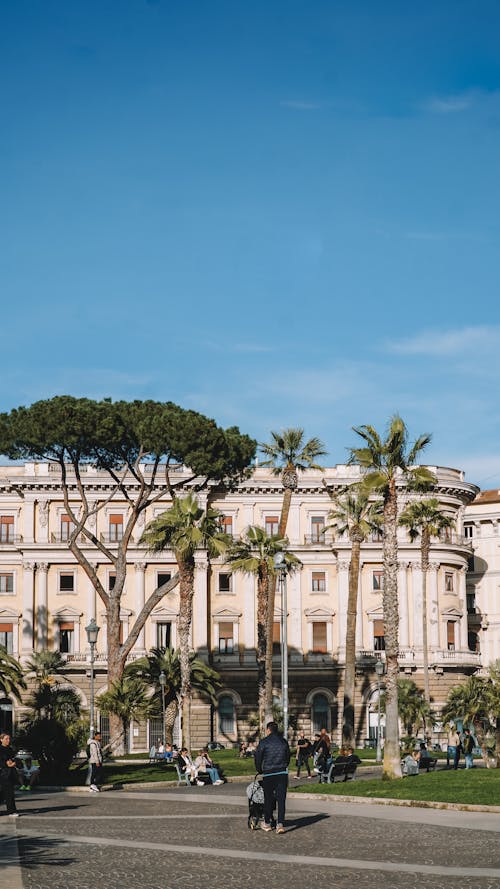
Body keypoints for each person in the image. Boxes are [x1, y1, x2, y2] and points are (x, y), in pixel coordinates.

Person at [254, 721, 290, 834]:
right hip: (282, 773)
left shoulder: (264, 742)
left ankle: (267, 823)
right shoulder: (283, 742)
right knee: (281, 800)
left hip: (269, 774)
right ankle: (280, 824)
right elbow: (288, 757)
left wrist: (259, 770)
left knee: (268, 799)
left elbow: (258, 757)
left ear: (268, 730)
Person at [0, 733, 19, 816]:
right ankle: (11, 811)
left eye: (9, 739)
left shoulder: (10, 749)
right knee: (5, 793)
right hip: (2, 773)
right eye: (6, 739)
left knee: (10, 792)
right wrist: (5, 764)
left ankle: (11, 811)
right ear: (1, 739)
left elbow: (13, 759)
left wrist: (14, 763)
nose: (8, 740)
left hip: (9, 773)